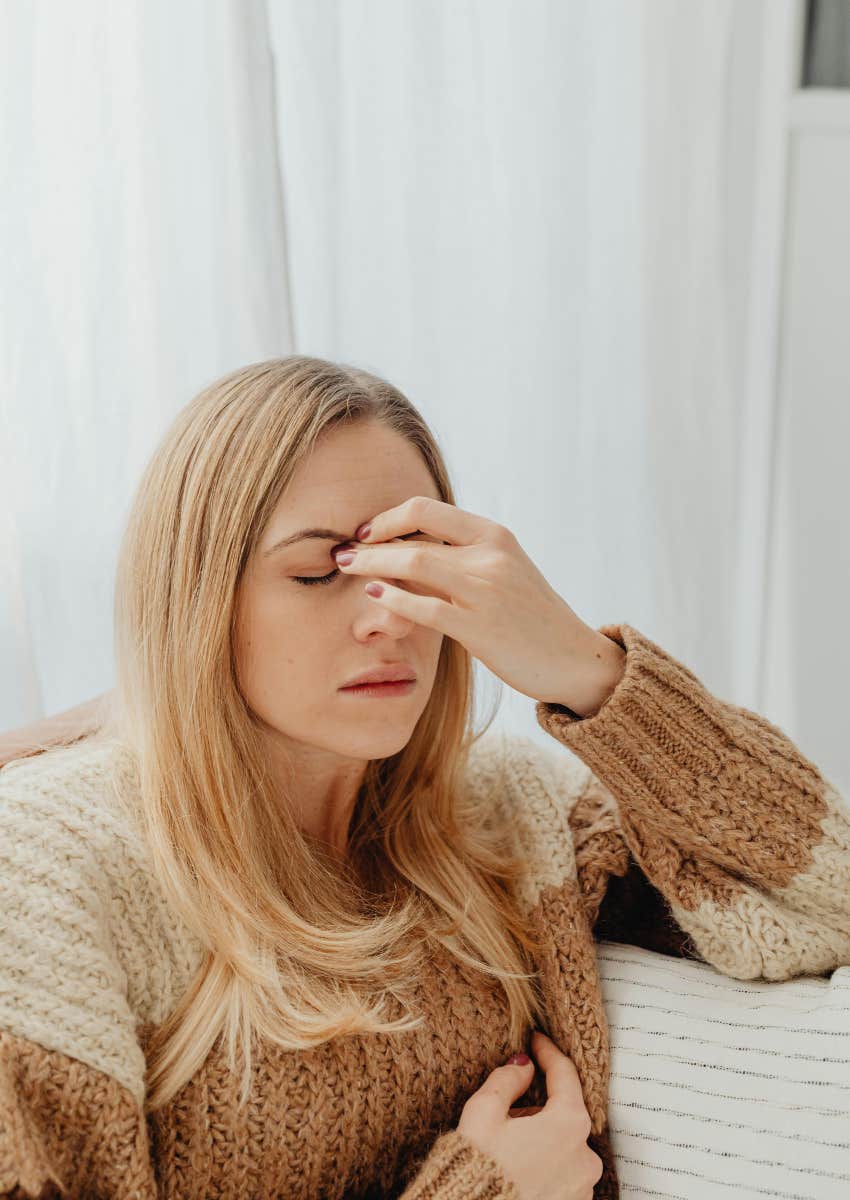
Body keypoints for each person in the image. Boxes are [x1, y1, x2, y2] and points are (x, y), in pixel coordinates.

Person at [1, 355, 848, 1200]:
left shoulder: (513, 814)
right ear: (194, 595)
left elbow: (828, 905)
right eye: (316, 571)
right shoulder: (46, 867)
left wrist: (588, 671)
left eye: (418, 563)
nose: (388, 617)